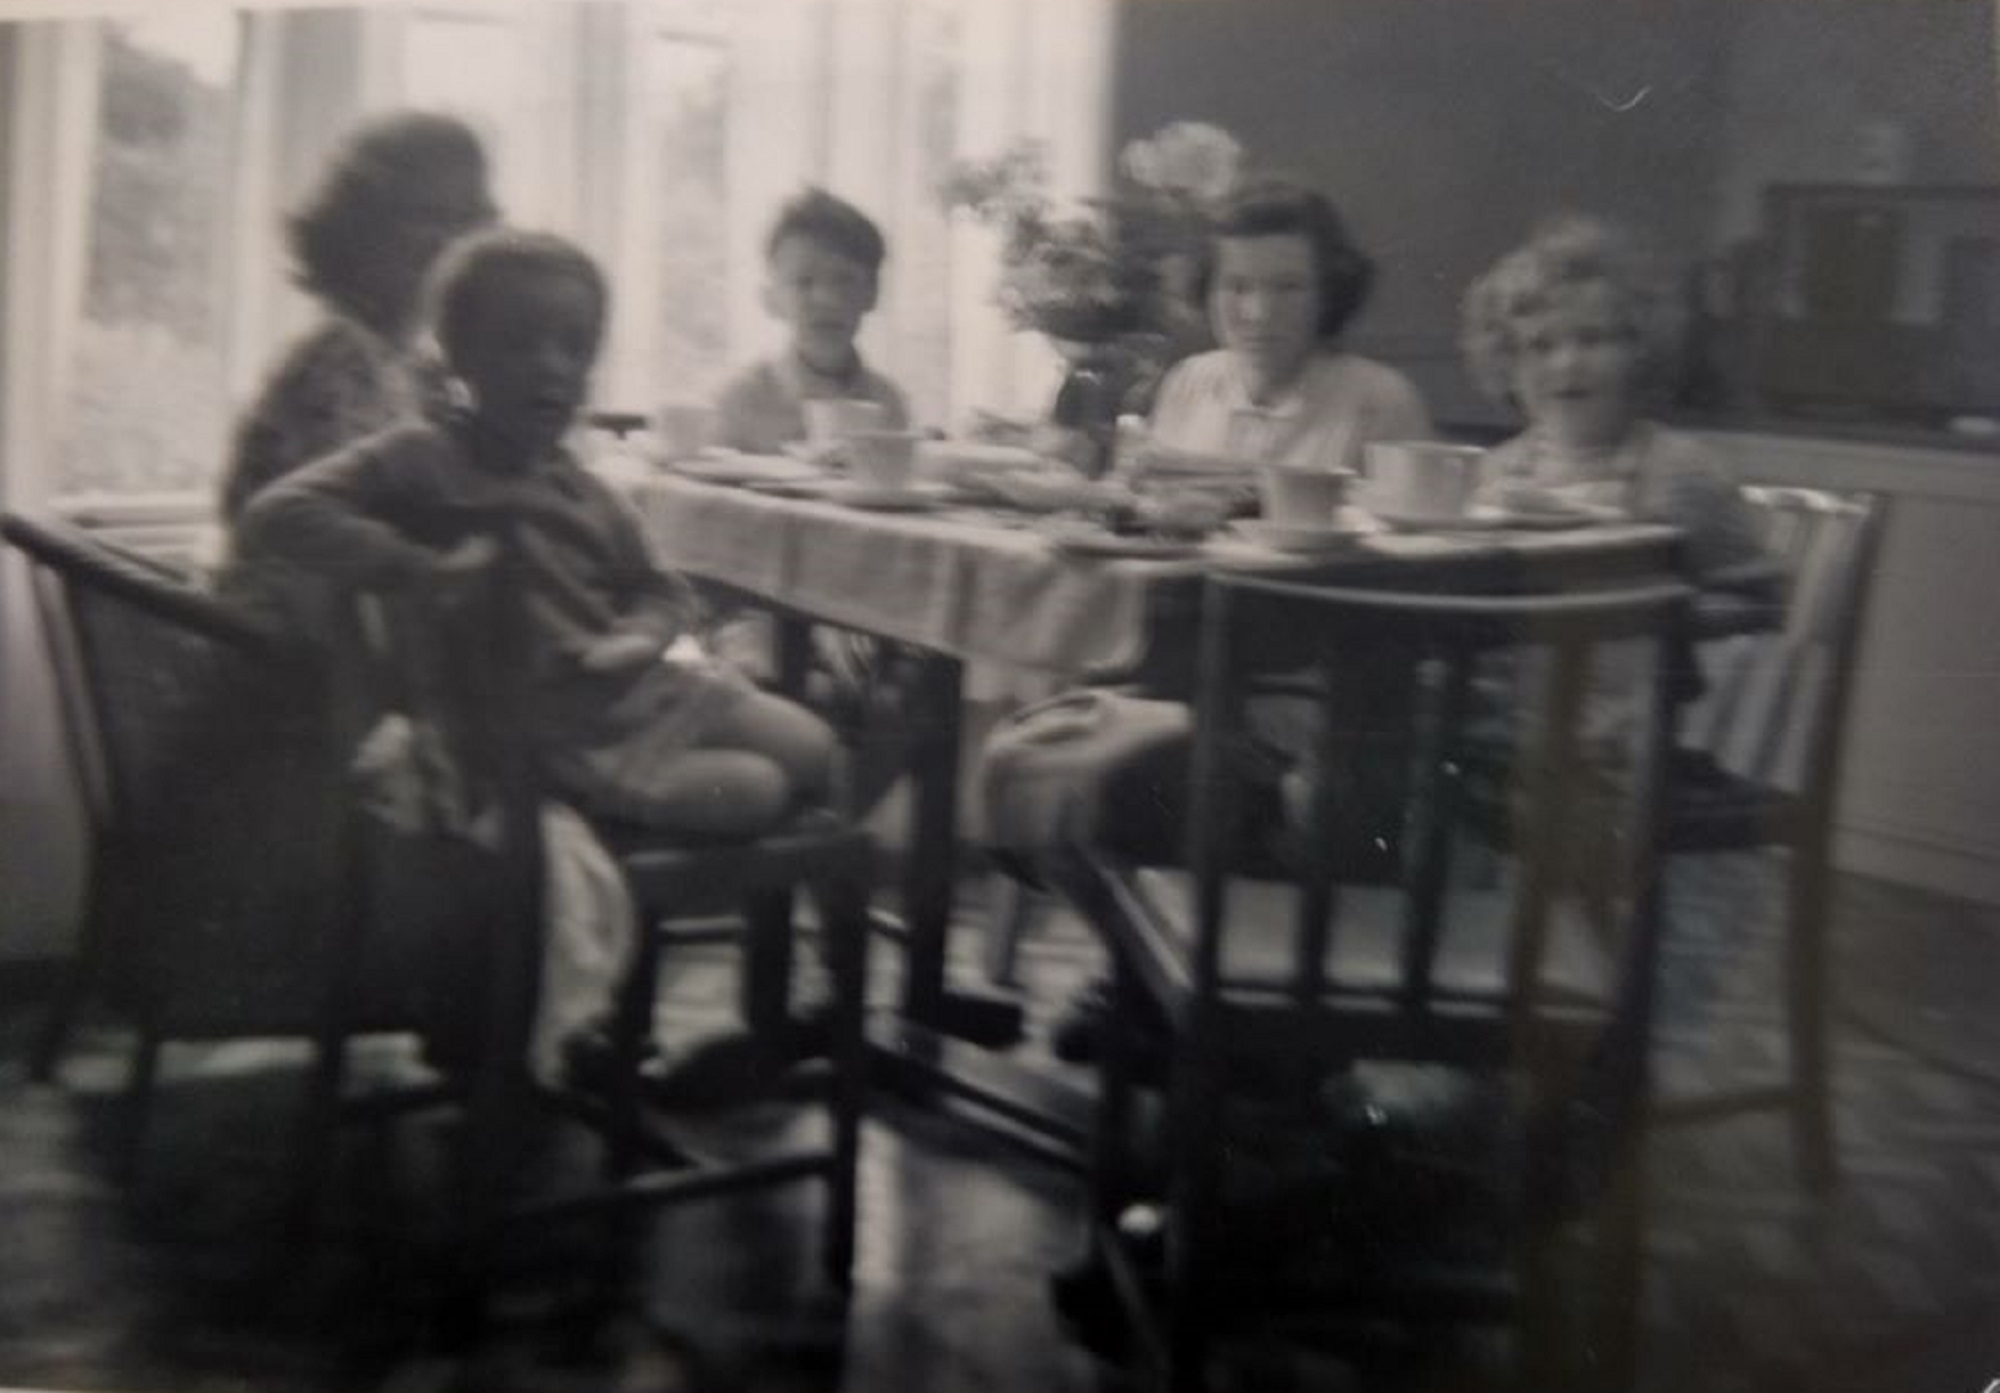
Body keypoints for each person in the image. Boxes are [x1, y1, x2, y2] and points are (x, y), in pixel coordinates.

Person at [240, 228, 837, 836]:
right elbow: (277, 511)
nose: (553, 366)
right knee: (758, 789)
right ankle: (568, 802)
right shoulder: (420, 454)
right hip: (535, 729)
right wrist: (411, 565)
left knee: (816, 749)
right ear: (460, 357)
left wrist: (637, 636)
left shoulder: (582, 484)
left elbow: (663, 590)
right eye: (520, 344)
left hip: (634, 690)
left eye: (575, 348)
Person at [221, 111, 497, 521]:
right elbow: (346, 522)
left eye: (466, 220)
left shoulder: (421, 368)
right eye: (430, 216)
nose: (452, 240)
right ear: (362, 228)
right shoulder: (338, 358)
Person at [1460, 214, 1768, 582]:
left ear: (1640, 348)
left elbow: (1756, 602)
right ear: (1507, 363)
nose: (1567, 364)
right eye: (1540, 345)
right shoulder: (1494, 472)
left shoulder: (1683, 472)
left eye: (1592, 339)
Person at [1137, 175, 1432, 475]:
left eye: (1289, 288)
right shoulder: (1188, 382)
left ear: (1328, 291)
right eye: (1237, 287)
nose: (1259, 313)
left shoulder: (1379, 401)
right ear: (1206, 289)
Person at [712, 187, 910, 453]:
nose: (827, 299)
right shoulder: (739, 402)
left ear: (872, 293)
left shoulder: (888, 404)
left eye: (845, 281)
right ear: (771, 299)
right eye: (804, 282)